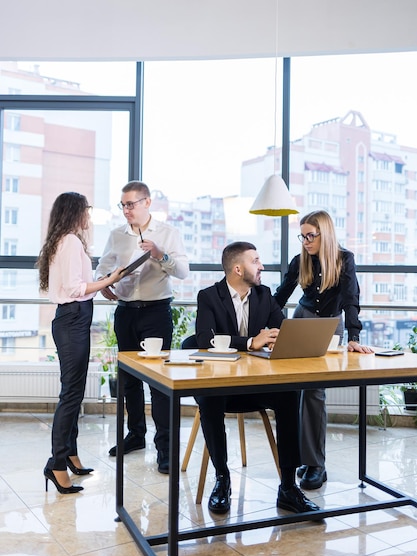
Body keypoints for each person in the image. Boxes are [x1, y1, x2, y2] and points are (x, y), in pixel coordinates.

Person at [195, 241, 320, 515]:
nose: (261, 266)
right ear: (238, 269)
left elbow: (280, 330)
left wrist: (280, 341)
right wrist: (251, 341)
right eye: (256, 261)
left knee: (290, 393)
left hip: (255, 385)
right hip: (221, 386)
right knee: (208, 398)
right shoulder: (208, 296)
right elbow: (205, 339)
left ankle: (288, 487)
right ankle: (222, 479)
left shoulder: (264, 296)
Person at [274, 210, 373, 491]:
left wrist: (353, 336)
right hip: (301, 319)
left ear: (324, 234)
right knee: (293, 390)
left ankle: (317, 465)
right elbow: (281, 295)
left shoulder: (344, 260)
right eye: (302, 235)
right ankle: (300, 460)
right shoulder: (300, 260)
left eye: (310, 235)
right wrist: (261, 323)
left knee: (315, 391)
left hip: (329, 327)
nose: (305, 241)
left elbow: (352, 298)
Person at [96, 181, 189, 474]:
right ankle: (136, 435)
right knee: (129, 381)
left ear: (147, 203)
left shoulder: (168, 233)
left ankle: (165, 449)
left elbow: (184, 272)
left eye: (131, 204)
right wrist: (103, 285)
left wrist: (161, 255)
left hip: (157, 312)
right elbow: (102, 267)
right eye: (123, 205)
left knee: (159, 382)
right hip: (125, 313)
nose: (126, 210)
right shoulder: (117, 235)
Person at [37, 192, 124, 494]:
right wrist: (109, 280)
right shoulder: (71, 242)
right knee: (71, 395)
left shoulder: (63, 239)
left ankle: (70, 454)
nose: (89, 214)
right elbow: (76, 288)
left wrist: (104, 283)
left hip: (72, 318)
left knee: (72, 391)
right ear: (76, 212)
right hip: (73, 318)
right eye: (86, 209)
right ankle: (57, 464)